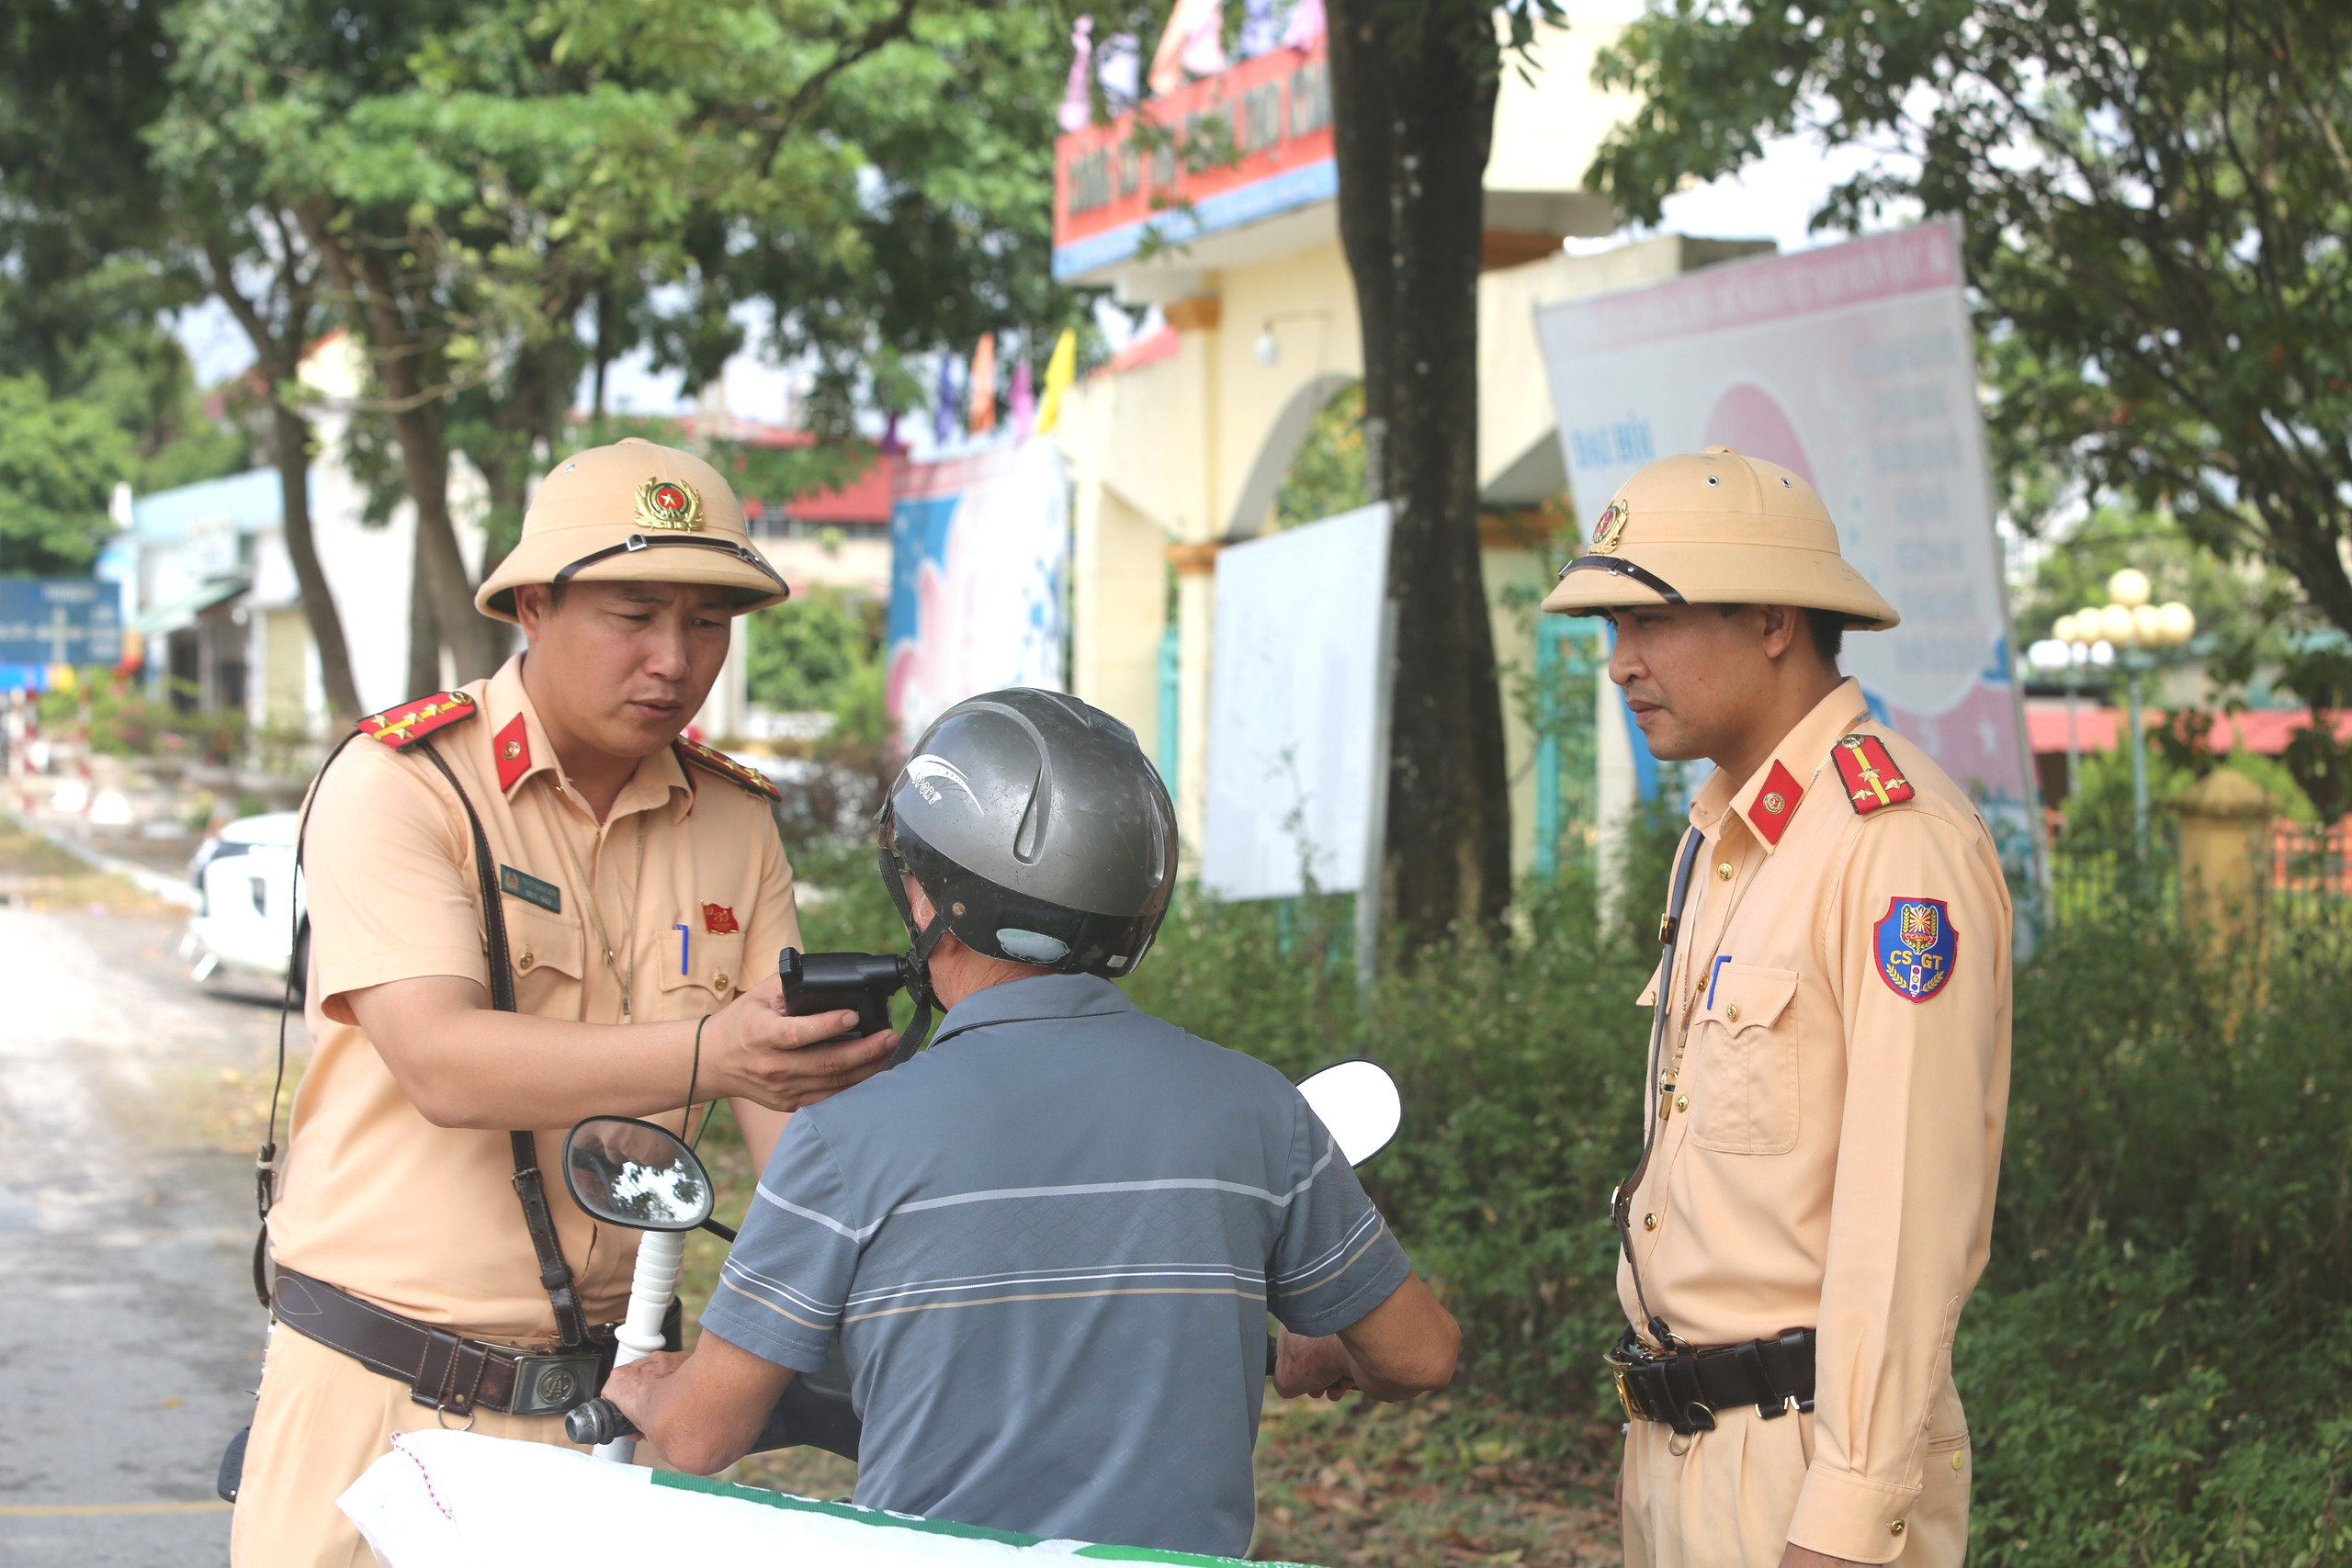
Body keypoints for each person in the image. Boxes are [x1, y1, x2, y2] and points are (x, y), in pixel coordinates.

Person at [231, 439, 899, 1567]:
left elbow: (796, 1146)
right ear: (533, 605)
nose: (674, 661)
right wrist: (712, 1053)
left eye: (706, 624)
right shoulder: (404, 782)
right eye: (634, 614)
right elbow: (442, 1063)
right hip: (376, 1401)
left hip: (604, 1418)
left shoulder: (733, 820)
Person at [605, 689, 1461, 1558]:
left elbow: (699, 1438)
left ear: (933, 902)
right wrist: (1319, 1348)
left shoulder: (844, 1139)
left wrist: (646, 1392)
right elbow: (1422, 1355)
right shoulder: (1259, 1106)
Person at [1542, 448, 2012, 1568]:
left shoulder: (1892, 844)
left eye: (1648, 623)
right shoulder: (1728, 837)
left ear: (1769, 621)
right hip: (1683, 1450)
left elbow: (1907, 1219)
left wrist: (1847, 1520)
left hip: (1806, 1463)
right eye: (1610, 630)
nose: (1620, 665)